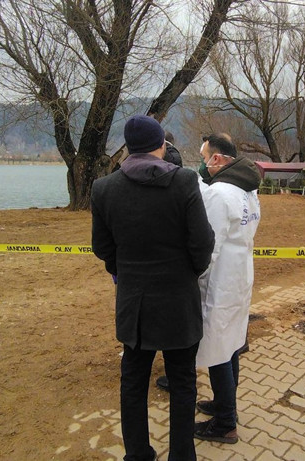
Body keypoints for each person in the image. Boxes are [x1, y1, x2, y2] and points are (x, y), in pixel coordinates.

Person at [91, 115, 215, 461]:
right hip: (179, 301)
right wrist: (188, 272)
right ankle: (181, 455)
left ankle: (137, 455)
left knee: (133, 382)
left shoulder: (104, 188)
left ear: (129, 148)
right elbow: (202, 244)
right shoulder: (184, 181)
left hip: (135, 304)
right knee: (182, 382)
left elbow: (102, 248)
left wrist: (125, 273)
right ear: (162, 145)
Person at [191, 133, 261, 444]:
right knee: (231, 343)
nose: (202, 164)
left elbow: (210, 245)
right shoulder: (249, 189)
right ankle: (224, 403)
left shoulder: (219, 194)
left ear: (217, 158)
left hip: (221, 281)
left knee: (219, 349)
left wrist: (195, 277)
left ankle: (225, 423)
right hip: (240, 276)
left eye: (204, 158)